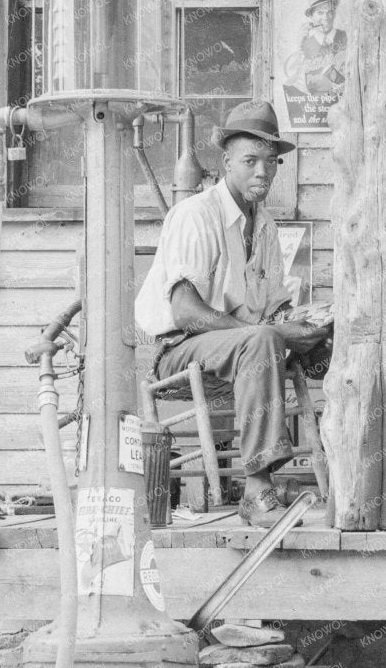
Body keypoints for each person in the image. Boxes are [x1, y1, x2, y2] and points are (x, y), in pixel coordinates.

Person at [134, 100, 332, 527]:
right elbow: (186, 313)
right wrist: (265, 333)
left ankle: (359, 478)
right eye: (250, 161)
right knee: (261, 340)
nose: (263, 171)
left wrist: (308, 324)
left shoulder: (265, 225)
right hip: (179, 349)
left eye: (271, 162)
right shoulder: (196, 215)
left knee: (338, 339)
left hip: (239, 345)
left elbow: (274, 307)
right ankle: (257, 490)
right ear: (226, 163)